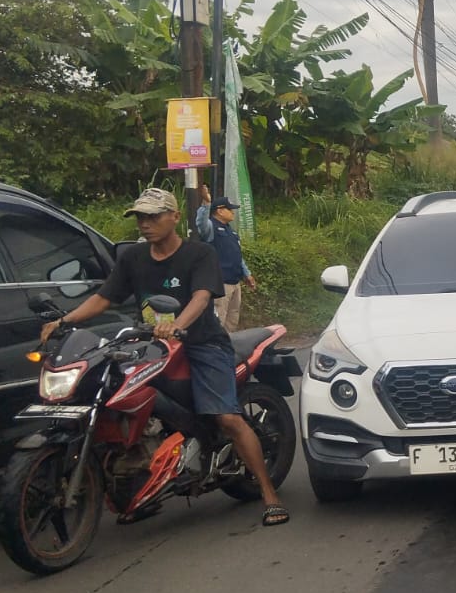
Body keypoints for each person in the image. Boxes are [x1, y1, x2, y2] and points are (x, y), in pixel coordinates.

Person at [40, 188, 289, 527]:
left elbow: (201, 297)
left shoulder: (200, 253)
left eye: (153, 216)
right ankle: (146, 482)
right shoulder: (132, 257)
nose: (145, 223)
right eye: (140, 217)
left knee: (227, 418)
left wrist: (178, 326)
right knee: (119, 398)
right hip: (150, 344)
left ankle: (269, 494)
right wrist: (64, 321)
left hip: (203, 344)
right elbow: (104, 298)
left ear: (174, 217)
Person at [196, 186, 257, 333]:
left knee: (232, 320)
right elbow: (201, 224)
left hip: (235, 283)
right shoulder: (211, 228)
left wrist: (247, 274)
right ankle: (217, 345)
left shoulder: (231, 231)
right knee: (219, 320)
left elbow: (237, 256)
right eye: (230, 209)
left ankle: (229, 344)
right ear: (220, 211)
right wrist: (206, 203)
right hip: (220, 284)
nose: (232, 212)